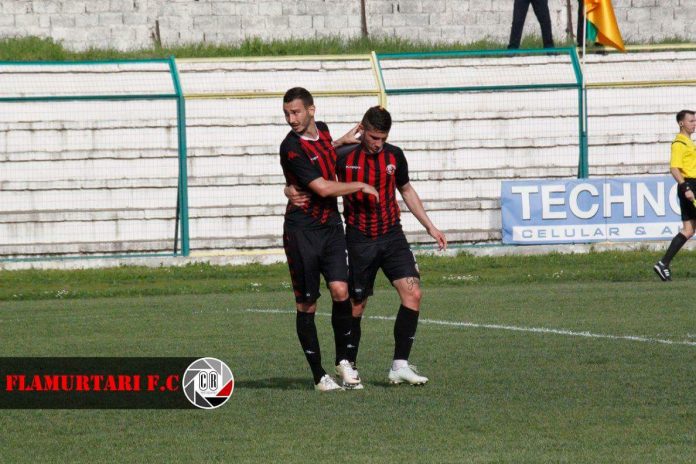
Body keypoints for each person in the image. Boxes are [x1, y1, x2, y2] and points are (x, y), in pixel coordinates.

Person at [287, 106, 447, 388]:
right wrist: (288, 189)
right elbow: (313, 177)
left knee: (413, 293)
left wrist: (430, 227)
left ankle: (400, 365)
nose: (378, 144)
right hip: (359, 239)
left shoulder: (394, 156)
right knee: (356, 304)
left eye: (383, 138)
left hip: (393, 236)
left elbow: (406, 190)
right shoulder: (343, 156)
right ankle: (349, 366)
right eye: (373, 137)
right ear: (363, 130)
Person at [279, 87, 379, 391]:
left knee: (340, 290)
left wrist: (339, 142)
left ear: (311, 110)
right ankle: (318, 376)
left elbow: (322, 156)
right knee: (307, 304)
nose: (291, 119)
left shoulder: (322, 131)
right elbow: (322, 187)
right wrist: (359, 185)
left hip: (331, 227)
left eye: (296, 112)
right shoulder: (290, 147)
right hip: (302, 232)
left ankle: (343, 362)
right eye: (287, 114)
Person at [654, 110, 696, 281]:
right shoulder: (679, 143)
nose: (694, 124)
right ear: (681, 123)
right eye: (691, 121)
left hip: (692, 185)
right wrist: (686, 188)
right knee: (689, 229)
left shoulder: (689, 142)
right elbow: (674, 168)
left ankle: (663, 264)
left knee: (688, 230)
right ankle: (663, 263)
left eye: (695, 121)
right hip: (690, 186)